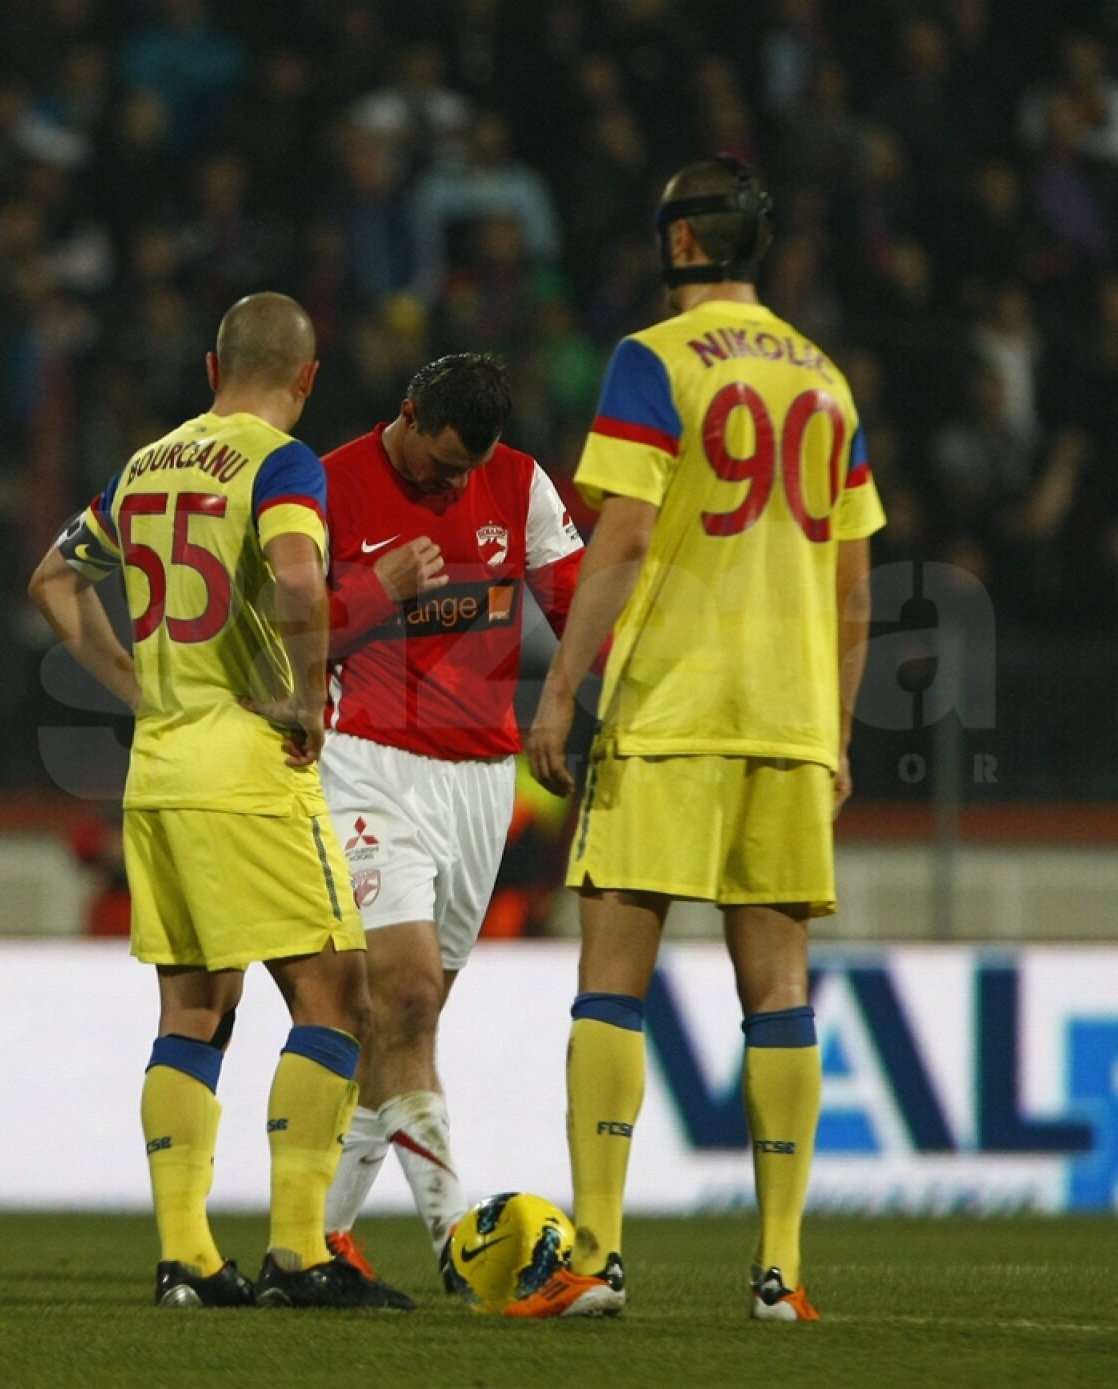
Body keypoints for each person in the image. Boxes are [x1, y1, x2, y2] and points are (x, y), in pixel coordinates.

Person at [523, 155, 885, 1320]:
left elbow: (627, 535)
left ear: (679, 241)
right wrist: (835, 735)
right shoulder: (826, 379)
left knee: (613, 977)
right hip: (790, 716)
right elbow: (856, 587)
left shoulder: (654, 358)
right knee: (778, 986)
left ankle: (598, 1256)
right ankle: (780, 1271)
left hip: (671, 705)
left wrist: (562, 688)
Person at [28, 291, 414, 1311]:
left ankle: (188, 1261)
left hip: (158, 772)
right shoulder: (281, 463)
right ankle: (299, 1251)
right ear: (308, 379)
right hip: (249, 771)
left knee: (194, 1008)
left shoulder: (144, 466)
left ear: (211, 369)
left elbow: (52, 581)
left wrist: (133, 687)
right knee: (336, 996)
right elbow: (298, 577)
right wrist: (307, 696)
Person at [250, 352, 583, 1284]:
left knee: (397, 1028)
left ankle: (316, 1241)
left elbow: (581, 606)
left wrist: (590, 694)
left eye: (467, 471)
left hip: (481, 781)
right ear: (407, 415)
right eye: (439, 466)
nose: (451, 486)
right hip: (366, 763)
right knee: (405, 997)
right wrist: (376, 587)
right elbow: (283, 623)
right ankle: (459, 1242)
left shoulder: (519, 485)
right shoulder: (326, 483)